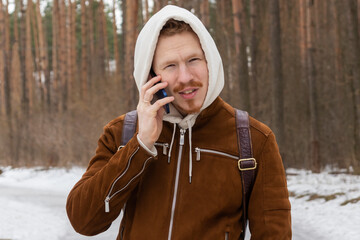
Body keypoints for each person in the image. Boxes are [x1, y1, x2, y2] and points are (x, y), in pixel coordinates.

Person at [66, 5, 291, 240]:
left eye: (193, 60)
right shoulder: (122, 133)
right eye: (170, 66)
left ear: (209, 62)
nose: (185, 77)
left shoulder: (255, 140)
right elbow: (84, 221)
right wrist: (141, 145)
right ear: (152, 76)